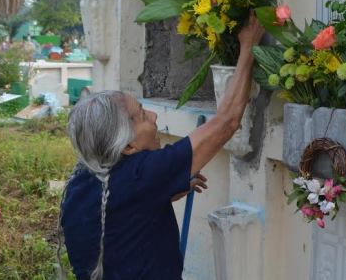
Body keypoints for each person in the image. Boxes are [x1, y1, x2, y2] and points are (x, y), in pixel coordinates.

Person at [59, 16, 265, 279]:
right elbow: (227, 122)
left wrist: (166, 189)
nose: (154, 118)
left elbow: (122, 218)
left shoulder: (83, 181)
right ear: (128, 146)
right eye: (143, 115)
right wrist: (249, 45)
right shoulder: (141, 174)